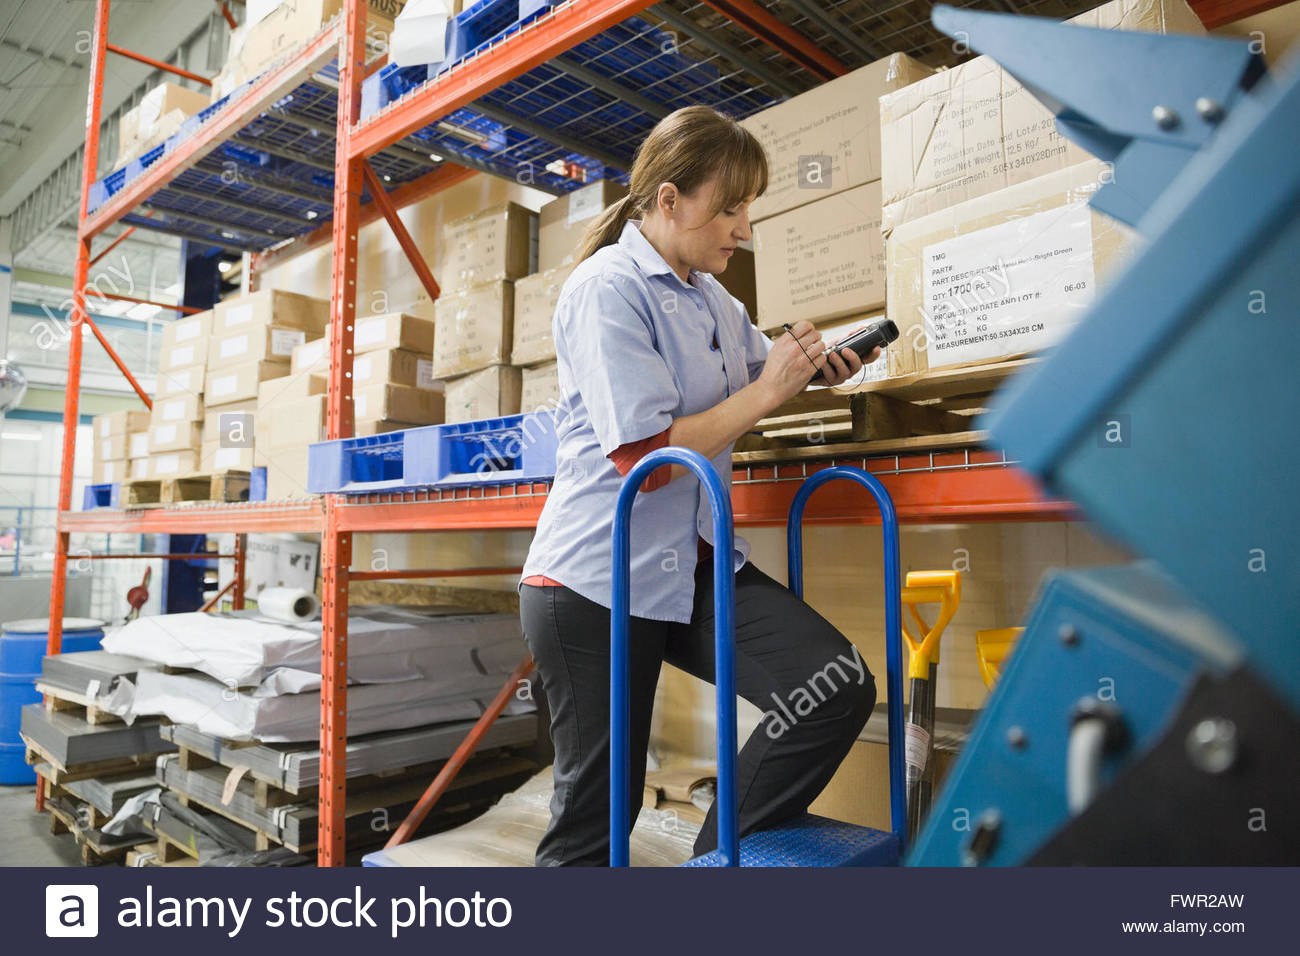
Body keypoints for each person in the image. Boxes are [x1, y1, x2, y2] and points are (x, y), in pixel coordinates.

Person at [517, 105, 883, 866]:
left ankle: (715, 877)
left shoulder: (712, 297)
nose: (744, 230)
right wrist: (768, 393)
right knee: (595, 826)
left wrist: (815, 373)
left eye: (749, 209)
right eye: (731, 208)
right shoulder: (606, 289)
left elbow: (754, 378)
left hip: (691, 562)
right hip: (595, 582)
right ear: (669, 200)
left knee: (833, 685)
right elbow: (645, 461)